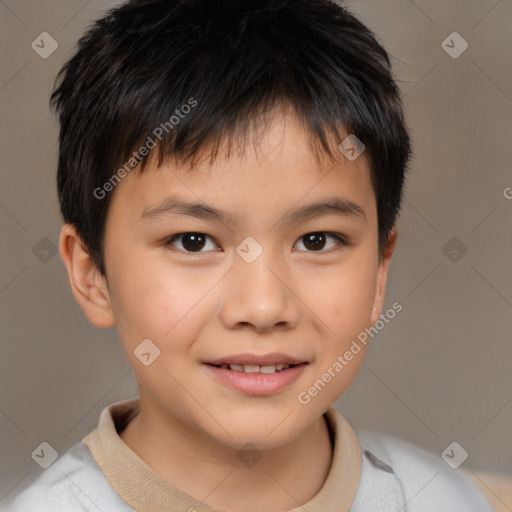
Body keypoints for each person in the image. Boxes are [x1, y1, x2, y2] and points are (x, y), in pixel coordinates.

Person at [4, 0, 494, 510]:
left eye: (317, 240)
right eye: (193, 241)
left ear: (378, 272)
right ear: (91, 275)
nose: (262, 308)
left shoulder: (451, 500)